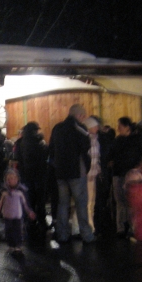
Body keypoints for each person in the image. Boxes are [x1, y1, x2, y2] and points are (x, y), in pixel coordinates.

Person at [48, 104, 95, 243]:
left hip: (60, 172)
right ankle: (86, 234)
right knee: (81, 204)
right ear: (78, 115)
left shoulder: (57, 128)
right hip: (76, 171)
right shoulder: (79, 128)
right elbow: (86, 146)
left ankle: (62, 234)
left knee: (63, 204)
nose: (83, 118)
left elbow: (51, 148)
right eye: (83, 115)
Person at [107, 117, 142, 238]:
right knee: (121, 201)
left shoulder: (134, 140)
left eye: (120, 126)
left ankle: (129, 227)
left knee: (127, 202)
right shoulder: (119, 140)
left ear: (127, 127)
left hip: (127, 174)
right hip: (120, 173)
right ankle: (122, 227)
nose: (118, 128)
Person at [13, 121, 48, 236]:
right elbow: (44, 157)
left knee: (29, 201)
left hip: (25, 176)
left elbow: (17, 159)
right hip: (39, 175)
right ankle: (42, 222)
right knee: (40, 200)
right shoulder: (39, 142)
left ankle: (30, 223)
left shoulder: (20, 143)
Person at [0, 168, 36, 253]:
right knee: (9, 231)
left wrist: (29, 212)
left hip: (18, 215)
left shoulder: (20, 192)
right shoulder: (4, 193)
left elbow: (25, 204)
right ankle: (11, 244)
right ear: (6, 180)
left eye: (14, 178)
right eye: (10, 178)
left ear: (18, 179)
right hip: (7, 216)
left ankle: (18, 245)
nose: (12, 180)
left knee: (18, 231)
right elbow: (0, 204)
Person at [83, 116, 101, 230]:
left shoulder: (95, 140)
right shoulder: (87, 140)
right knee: (88, 203)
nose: (97, 128)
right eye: (95, 126)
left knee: (91, 202)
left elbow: (96, 158)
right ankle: (89, 227)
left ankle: (90, 226)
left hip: (93, 175)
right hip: (87, 176)